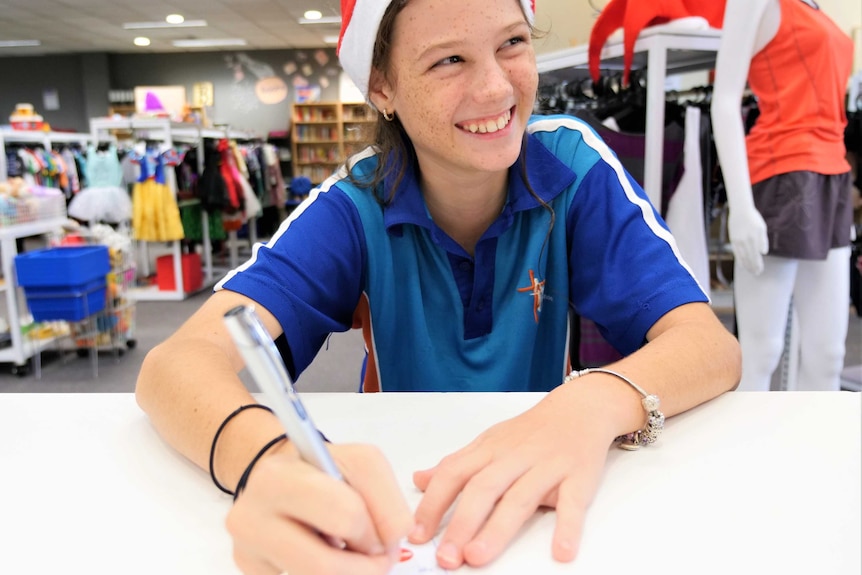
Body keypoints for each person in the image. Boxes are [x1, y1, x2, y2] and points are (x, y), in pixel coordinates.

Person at [135, 0, 741, 573]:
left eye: (511, 43)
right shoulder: (354, 206)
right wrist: (266, 462)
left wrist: (592, 402)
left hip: (541, 492)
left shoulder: (574, 167)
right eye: (449, 59)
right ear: (382, 87)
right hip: (396, 502)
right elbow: (177, 364)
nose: (498, 90)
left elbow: (707, 344)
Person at [710, 0, 854, 392]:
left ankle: (811, 451)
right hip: (781, 175)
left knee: (828, 355)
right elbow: (723, 101)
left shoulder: (816, 7)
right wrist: (740, 206)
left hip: (833, 176)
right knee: (762, 351)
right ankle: (741, 449)